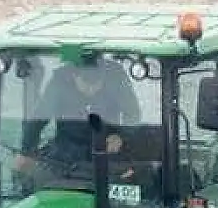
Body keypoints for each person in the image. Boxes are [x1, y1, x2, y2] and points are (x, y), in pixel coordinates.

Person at [14, 56, 143, 179]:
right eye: (86, 85)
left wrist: (121, 136)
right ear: (74, 76)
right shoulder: (59, 80)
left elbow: (133, 113)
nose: (91, 90)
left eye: (96, 85)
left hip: (106, 146)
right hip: (67, 149)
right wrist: (26, 151)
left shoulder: (116, 76)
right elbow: (39, 117)